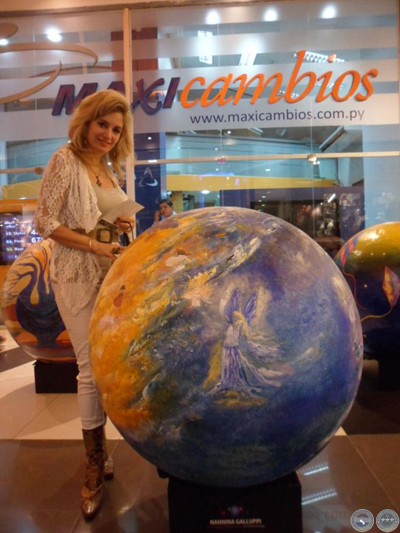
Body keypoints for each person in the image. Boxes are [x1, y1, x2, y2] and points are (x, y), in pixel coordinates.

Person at [34, 90, 135, 520]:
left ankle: (106, 449)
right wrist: (94, 244)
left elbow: (103, 222)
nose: (108, 134)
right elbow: (45, 222)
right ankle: (94, 464)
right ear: (87, 122)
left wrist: (122, 223)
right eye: (103, 125)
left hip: (112, 277)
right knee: (90, 369)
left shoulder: (110, 168)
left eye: (116, 129)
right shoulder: (65, 160)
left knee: (111, 364)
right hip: (76, 277)